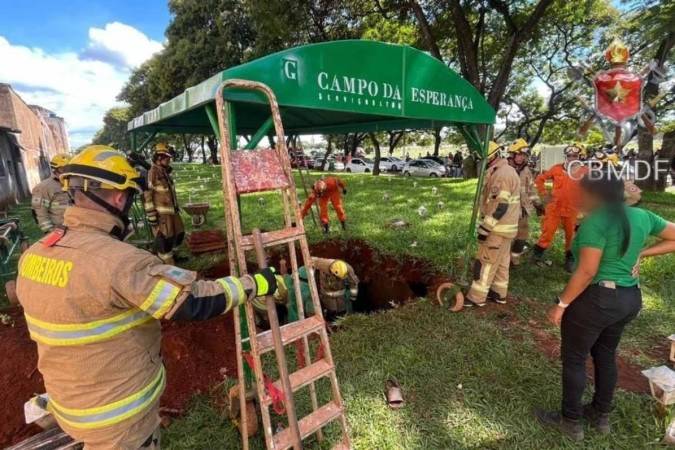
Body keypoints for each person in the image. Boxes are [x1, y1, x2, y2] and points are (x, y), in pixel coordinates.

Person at [16, 145, 279, 449]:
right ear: (118, 197)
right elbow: (191, 301)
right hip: (119, 422)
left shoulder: (35, 255)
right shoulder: (120, 262)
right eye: (129, 197)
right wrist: (254, 283)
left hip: (70, 406)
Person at [535, 169, 675, 441]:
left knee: (575, 358)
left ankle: (571, 421)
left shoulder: (596, 223)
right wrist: (641, 253)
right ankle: (601, 416)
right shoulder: (641, 216)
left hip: (597, 299)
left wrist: (561, 304)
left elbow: (586, 271)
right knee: (606, 353)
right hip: (628, 299)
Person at [465, 141, 520, 306]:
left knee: (485, 263)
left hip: (497, 229)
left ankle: (476, 298)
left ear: (492, 157)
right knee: (502, 263)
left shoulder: (501, 175)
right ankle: (498, 293)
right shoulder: (506, 171)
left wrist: (485, 228)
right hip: (507, 230)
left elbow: (500, 206)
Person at [533, 144, 587, 272]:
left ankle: (570, 258)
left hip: (573, 209)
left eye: (575, 156)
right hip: (555, 207)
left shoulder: (585, 171)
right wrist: (544, 194)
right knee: (548, 231)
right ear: (566, 157)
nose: (572, 158)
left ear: (579, 157)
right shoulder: (557, 169)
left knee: (571, 235)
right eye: (569, 156)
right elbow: (540, 179)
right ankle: (537, 255)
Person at [144, 143, 185, 264]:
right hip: (161, 214)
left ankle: (174, 257)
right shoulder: (153, 172)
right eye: (166, 158)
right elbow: (147, 194)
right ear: (158, 159)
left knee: (178, 233)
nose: (169, 160)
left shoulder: (164, 172)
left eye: (169, 158)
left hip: (172, 211)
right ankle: (168, 264)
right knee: (164, 240)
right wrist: (151, 216)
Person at [507, 139, 542, 265]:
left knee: (522, 237)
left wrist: (538, 204)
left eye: (523, 155)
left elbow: (531, 189)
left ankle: (515, 258)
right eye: (519, 154)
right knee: (507, 237)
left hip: (522, 210)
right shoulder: (504, 170)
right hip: (507, 210)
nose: (521, 158)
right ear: (512, 155)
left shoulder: (526, 170)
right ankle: (504, 260)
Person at [31, 153, 71, 233]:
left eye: (69, 168)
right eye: (63, 169)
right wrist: (49, 232)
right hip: (58, 230)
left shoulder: (73, 184)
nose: (67, 172)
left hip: (76, 228)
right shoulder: (43, 187)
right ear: (55, 169)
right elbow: (40, 212)